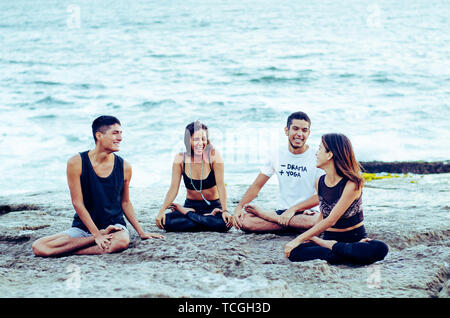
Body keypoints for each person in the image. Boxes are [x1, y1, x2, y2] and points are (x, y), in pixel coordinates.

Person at [32, 115, 163, 257]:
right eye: (115, 133)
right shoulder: (76, 162)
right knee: (39, 246)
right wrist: (97, 235)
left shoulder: (125, 167)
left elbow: (125, 202)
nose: (120, 138)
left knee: (121, 242)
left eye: (121, 133)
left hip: (114, 228)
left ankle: (69, 250)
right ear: (99, 135)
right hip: (83, 229)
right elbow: (77, 203)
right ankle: (94, 239)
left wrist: (141, 232)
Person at [284, 133, 388, 265]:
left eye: (320, 149)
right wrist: (311, 238)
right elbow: (323, 215)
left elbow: (331, 220)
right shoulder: (319, 182)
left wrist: (298, 239)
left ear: (329, 154)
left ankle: (337, 250)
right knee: (295, 252)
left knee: (380, 248)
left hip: (354, 239)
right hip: (329, 238)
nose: (316, 153)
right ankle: (343, 253)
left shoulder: (352, 183)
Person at [233, 111, 325, 233]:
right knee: (244, 222)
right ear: (286, 130)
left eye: (304, 130)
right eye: (295, 129)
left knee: (314, 222)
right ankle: (288, 224)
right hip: (283, 211)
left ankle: (269, 217)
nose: (299, 134)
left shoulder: (317, 156)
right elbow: (257, 185)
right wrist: (239, 207)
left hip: (309, 212)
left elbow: (321, 195)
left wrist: (293, 209)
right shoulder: (277, 154)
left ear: (308, 133)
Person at [155, 121, 233, 232]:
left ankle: (190, 214)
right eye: (196, 139)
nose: (200, 143)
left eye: (203, 139)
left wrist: (225, 210)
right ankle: (205, 218)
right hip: (191, 205)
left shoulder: (214, 155)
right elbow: (173, 188)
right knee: (166, 222)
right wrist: (161, 211)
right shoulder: (180, 159)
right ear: (188, 140)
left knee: (224, 224)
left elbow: (221, 185)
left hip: (213, 206)